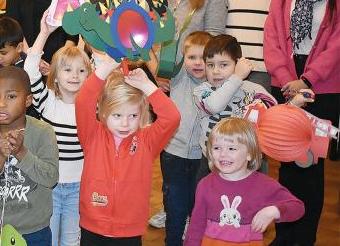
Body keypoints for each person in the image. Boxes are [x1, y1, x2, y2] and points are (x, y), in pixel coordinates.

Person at [263, 0, 340, 246]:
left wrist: (306, 80)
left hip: (323, 85)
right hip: (287, 81)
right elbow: (272, 37)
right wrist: (286, 79)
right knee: (287, 164)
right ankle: (284, 236)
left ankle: (304, 238)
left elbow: (337, 43)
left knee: (310, 167)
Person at [75, 55, 180, 245]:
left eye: (133, 115)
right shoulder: (92, 135)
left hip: (130, 231)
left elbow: (172, 117)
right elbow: (83, 101)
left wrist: (147, 86)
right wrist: (105, 69)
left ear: (142, 114)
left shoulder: (147, 141)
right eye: (117, 115)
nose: (125, 123)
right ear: (103, 112)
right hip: (92, 227)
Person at [0, 66, 59, 245]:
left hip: (35, 232)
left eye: (11, 96)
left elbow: (51, 178)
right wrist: (0, 156)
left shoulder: (43, 132)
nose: (1, 103)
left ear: (28, 100)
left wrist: (21, 152)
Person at [24, 15, 91, 246]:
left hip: (78, 188)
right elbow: (30, 70)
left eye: (82, 71)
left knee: (72, 242)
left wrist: (91, 33)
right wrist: (44, 33)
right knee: (48, 240)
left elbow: (104, 70)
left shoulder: (93, 107)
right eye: (68, 70)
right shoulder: (47, 101)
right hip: (48, 188)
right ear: (55, 75)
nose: (74, 75)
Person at [184, 118, 304, 245]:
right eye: (217, 148)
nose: (223, 154)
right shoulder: (205, 185)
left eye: (231, 148)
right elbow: (196, 227)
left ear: (249, 154)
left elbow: (297, 207)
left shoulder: (263, 185)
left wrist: (274, 211)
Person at [159, 31, 212, 246]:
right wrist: (174, 32)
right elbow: (170, 52)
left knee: (197, 207)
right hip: (174, 155)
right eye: (191, 58)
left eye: (203, 58)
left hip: (202, 158)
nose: (198, 63)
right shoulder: (178, 77)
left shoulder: (215, 84)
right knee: (175, 208)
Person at [194, 34, 276, 156]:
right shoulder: (201, 91)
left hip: (244, 160)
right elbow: (214, 106)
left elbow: (274, 111)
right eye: (210, 65)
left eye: (223, 65)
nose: (215, 71)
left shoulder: (251, 89)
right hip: (211, 161)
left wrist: (294, 103)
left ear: (237, 64)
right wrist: (236, 77)